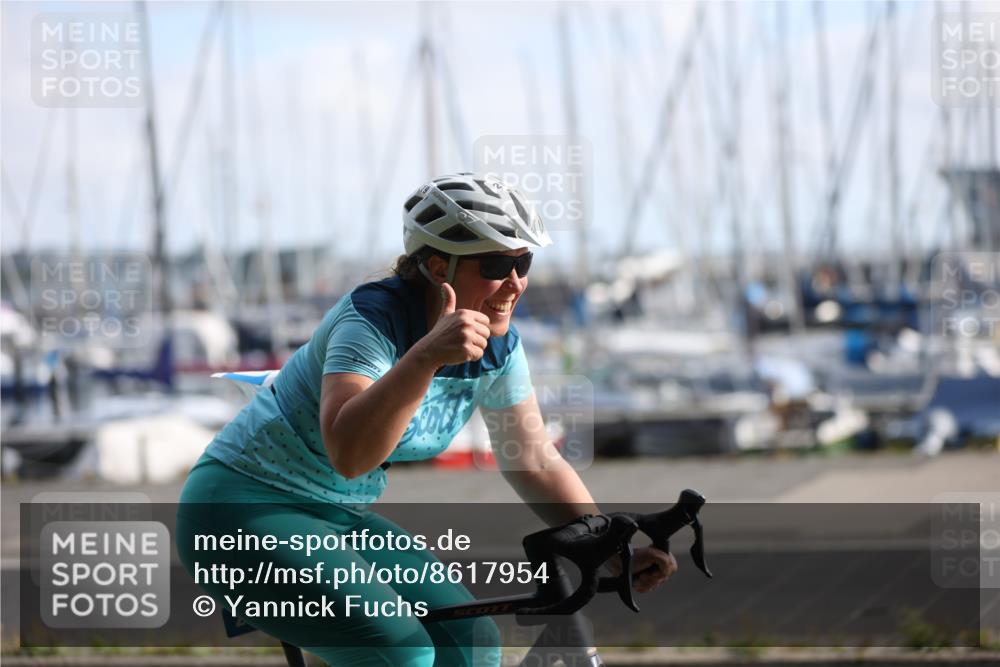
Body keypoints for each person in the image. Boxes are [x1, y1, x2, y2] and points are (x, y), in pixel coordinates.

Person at [175, 172, 677, 667]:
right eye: (499, 263)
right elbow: (349, 454)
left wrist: (613, 546)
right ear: (438, 267)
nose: (516, 282)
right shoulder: (371, 323)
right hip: (240, 509)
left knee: (473, 641)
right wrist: (423, 359)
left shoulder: (499, 347)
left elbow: (531, 458)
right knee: (399, 650)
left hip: (337, 516)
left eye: (525, 261)